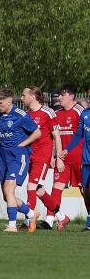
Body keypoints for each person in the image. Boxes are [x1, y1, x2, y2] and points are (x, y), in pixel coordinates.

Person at [0, 88, 41, 232]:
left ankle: (12, 225)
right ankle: (31, 214)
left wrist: (23, 144)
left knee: (9, 189)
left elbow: (37, 132)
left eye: (0, 103)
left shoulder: (21, 115)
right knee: (7, 196)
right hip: (2, 156)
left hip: (17, 156)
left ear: (9, 101)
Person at [20, 86, 65, 230]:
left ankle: (28, 221)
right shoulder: (26, 114)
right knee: (39, 190)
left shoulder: (48, 112)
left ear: (32, 97)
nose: (21, 98)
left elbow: (57, 136)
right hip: (30, 156)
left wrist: (58, 158)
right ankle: (62, 217)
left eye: (24, 95)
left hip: (42, 156)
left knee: (31, 186)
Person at [50, 84, 84, 231]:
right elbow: (54, 137)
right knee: (56, 188)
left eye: (62, 95)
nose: (59, 98)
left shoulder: (80, 112)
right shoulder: (57, 114)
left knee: (85, 190)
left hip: (79, 158)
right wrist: (53, 156)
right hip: (62, 159)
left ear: (71, 96)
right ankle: (52, 219)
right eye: (59, 95)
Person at [59, 100, 90, 231]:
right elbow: (78, 135)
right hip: (86, 160)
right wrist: (67, 149)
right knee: (86, 191)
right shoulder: (85, 114)